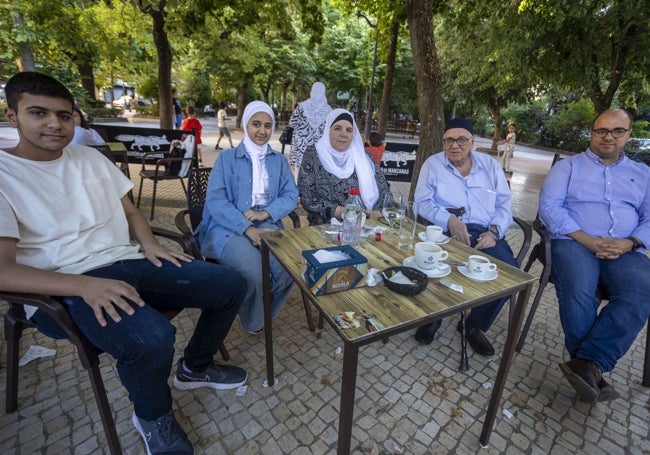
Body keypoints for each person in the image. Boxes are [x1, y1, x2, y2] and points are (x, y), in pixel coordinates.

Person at [0, 72, 248, 455]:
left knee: (231, 284)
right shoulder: (4, 174)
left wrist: (150, 245)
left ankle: (195, 367)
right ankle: (153, 417)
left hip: (125, 259)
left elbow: (131, 213)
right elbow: (4, 270)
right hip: (60, 285)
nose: (54, 124)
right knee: (151, 338)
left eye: (65, 116)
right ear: (12, 115)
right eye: (38, 113)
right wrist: (84, 286)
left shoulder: (89, 158)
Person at [539, 108, 650, 403]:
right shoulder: (568, 167)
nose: (608, 137)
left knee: (641, 292)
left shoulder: (643, 174)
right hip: (574, 240)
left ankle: (586, 364)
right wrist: (586, 239)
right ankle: (592, 367)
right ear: (591, 133)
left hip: (624, 248)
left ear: (628, 134)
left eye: (617, 131)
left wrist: (631, 242)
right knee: (578, 287)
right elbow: (550, 208)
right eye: (601, 130)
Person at [413, 118, 518, 356]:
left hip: (484, 231)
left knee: (510, 272)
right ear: (443, 143)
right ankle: (435, 315)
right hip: (447, 228)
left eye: (461, 139)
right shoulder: (433, 164)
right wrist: (448, 220)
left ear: (472, 142)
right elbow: (422, 203)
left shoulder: (490, 166)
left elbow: (504, 204)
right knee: (436, 262)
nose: (455, 145)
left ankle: (473, 325)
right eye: (449, 140)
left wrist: (494, 232)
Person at [196, 101, 298, 334]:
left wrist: (266, 213)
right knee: (254, 272)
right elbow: (216, 201)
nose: (262, 131)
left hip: (267, 221)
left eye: (267, 125)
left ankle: (264, 310)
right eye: (256, 124)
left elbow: (292, 195)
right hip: (226, 226)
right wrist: (249, 229)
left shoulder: (279, 161)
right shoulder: (227, 158)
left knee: (292, 265)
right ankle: (255, 322)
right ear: (245, 125)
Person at [298, 108, 389, 225]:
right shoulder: (313, 155)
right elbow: (307, 196)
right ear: (327, 130)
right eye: (337, 128)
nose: (344, 134)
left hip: (368, 223)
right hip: (329, 223)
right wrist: (341, 212)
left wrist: (377, 212)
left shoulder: (365, 158)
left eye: (349, 130)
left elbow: (385, 192)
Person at [288, 81, 332, 170]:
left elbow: (292, 123)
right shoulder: (328, 110)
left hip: (301, 145)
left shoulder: (302, 106)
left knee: (300, 175)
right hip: (319, 148)